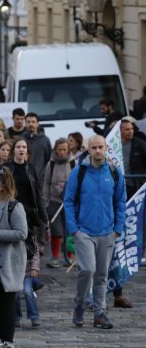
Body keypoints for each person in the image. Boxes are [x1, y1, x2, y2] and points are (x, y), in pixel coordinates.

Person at [63, 135, 126, 330]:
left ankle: (99, 313)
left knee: (101, 275)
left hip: (107, 231)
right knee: (87, 269)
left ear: (106, 148)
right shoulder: (78, 172)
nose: (98, 151)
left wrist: (117, 228)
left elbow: (120, 202)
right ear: (88, 149)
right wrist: (74, 229)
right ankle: (80, 304)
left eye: (100, 147)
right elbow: (69, 201)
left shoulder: (115, 173)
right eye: (94, 148)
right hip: (84, 231)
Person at [42, 139, 74, 268]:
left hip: (70, 202)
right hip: (54, 201)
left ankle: (70, 257)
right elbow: (46, 183)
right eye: (59, 149)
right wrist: (46, 201)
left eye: (64, 150)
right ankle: (55, 257)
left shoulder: (73, 162)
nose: (61, 152)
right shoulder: (51, 164)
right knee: (56, 230)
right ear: (55, 150)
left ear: (68, 150)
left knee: (71, 229)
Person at [22, 112, 52, 179]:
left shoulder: (45, 140)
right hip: (24, 177)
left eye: (33, 122)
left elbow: (49, 159)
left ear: (37, 124)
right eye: (28, 122)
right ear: (25, 124)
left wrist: (44, 173)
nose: (31, 124)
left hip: (41, 179)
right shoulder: (20, 140)